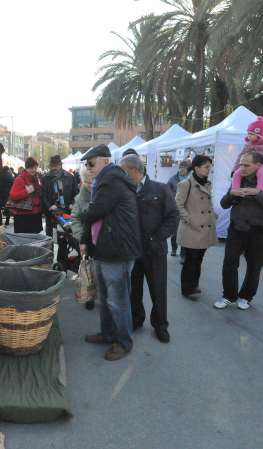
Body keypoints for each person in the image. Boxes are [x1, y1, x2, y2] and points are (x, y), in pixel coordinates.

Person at [79, 145, 141, 361]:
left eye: (91, 163)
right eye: (86, 164)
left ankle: (124, 342)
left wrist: (77, 213)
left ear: (106, 161)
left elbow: (95, 211)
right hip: (107, 248)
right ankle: (108, 334)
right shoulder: (103, 181)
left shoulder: (111, 180)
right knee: (105, 299)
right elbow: (96, 215)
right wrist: (86, 239)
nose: (88, 168)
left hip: (118, 249)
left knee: (118, 301)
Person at [119, 155, 179, 343]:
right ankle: (136, 319)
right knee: (134, 289)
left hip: (155, 250)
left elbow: (173, 217)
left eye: (124, 172)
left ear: (136, 170)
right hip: (133, 250)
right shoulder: (125, 190)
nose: (122, 175)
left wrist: (156, 238)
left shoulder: (160, 189)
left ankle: (160, 325)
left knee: (158, 289)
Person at [215, 152, 263, 310]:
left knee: (254, 266)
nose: (242, 168)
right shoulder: (238, 179)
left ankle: (246, 296)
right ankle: (229, 295)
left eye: (246, 165)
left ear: (258, 166)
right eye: (240, 165)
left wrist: (259, 194)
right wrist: (231, 194)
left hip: (258, 230)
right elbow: (224, 204)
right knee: (229, 263)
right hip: (236, 228)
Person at [175, 154, 218, 301]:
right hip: (192, 228)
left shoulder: (208, 183)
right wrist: (188, 219)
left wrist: (213, 215)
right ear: (197, 168)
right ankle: (187, 288)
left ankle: (194, 283)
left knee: (199, 258)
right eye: (206, 167)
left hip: (205, 225)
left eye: (210, 166)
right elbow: (178, 204)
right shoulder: (186, 184)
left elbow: (209, 203)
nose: (209, 169)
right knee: (190, 259)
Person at [231, 116, 263, 192]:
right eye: (248, 134)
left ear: (259, 134)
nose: (249, 136)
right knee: (237, 174)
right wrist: (234, 169)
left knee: (262, 173)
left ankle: (259, 191)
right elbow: (241, 156)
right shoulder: (248, 144)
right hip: (250, 164)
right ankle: (235, 190)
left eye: (251, 134)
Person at [71, 164, 95, 311]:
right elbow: (75, 219)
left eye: (90, 182)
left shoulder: (104, 194)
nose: (87, 185)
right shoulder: (80, 198)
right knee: (89, 270)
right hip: (88, 241)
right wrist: (81, 238)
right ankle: (90, 297)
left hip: (103, 240)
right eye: (85, 182)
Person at [41, 155, 79, 237]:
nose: (53, 168)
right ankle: (50, 250)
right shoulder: (45, 178)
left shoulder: (69, 177)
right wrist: (49, 206)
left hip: (66, 212)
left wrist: (73, 203)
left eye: (56, 166)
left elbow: (76, 193)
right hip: (51, 213)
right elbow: (42, 195)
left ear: (60, 165)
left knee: (64, 238)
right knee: (49, 237)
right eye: (52, 166)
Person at [8, 156, 44, 234]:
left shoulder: (36, 178)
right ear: (26, 168)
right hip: (23, 216)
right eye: (31, 168)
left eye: (35, 168)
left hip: (36, 214)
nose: (33, 170)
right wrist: (26, 191)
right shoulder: (19, 179)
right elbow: (12, 196)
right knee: (24, 241)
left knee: (35, 241)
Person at [167, 160, 191, 260]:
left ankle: (183, 255)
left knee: (185, 234)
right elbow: (167, 192)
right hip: (175, 209)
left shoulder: (191, 180)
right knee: (175, 233)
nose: (182, 169)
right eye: (180, 167)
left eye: (184, 168)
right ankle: (174, 248)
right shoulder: (172, 179)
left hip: (188, 209)